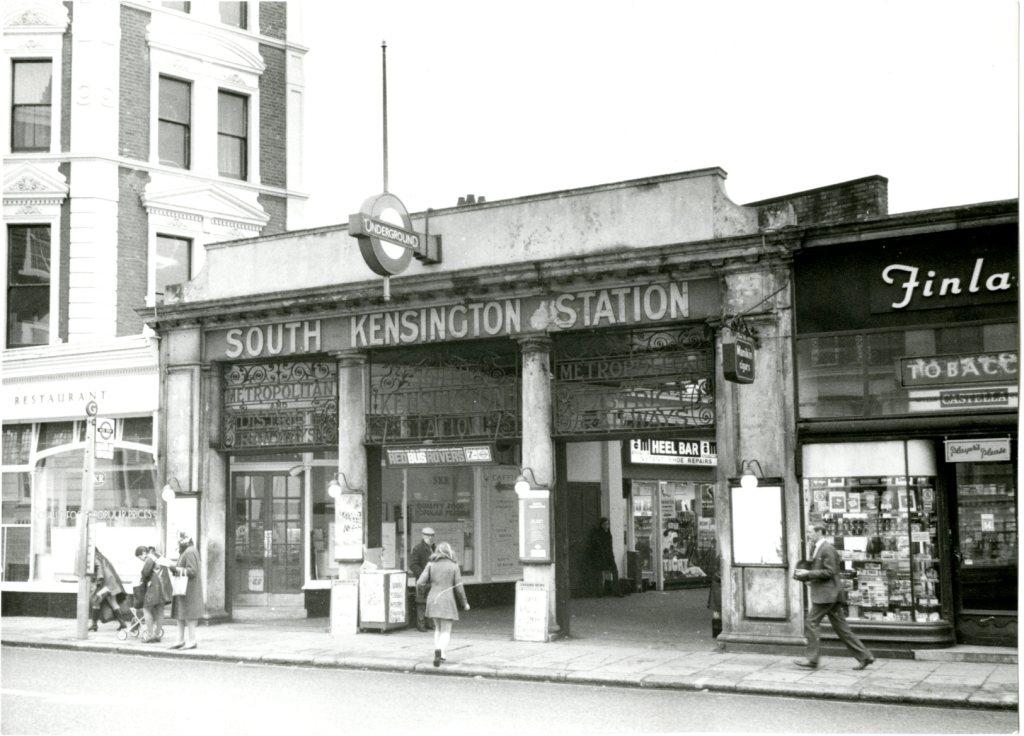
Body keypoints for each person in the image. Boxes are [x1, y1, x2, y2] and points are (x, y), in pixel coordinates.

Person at [793, 523, 874, 670]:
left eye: (810, 532)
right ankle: (865, 656)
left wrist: (808, 574)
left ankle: (812, 659)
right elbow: (823, 572)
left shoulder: (827, 548)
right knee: (842, 628)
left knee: (811, 622)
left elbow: (830, 571)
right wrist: (810, 579)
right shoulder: (818, 547)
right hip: (830, 594)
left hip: (827, 595)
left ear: (819, 532)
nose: (808, 535)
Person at [416, 542, 469, 667]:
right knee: (446, 630)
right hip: (447, 600)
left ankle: (441, 654)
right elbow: (459, 587)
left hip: (433, 599)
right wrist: (465, 603)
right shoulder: (454, 566)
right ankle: (440, 651)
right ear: (449, 552)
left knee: (438, 628)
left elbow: (419, 582)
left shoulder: (430, 565)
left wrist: (432, 585)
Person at [169, 532, 202, 650]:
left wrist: (176, 569)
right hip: (184, 588)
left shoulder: (189, 552)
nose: (178, 543)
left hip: (188, 588)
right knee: (181, 615)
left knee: (189, 615)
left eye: (180, 541)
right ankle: (180, 640)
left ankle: (191, 641)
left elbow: (192, 571)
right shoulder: (189, 551)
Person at [134, 545, 171, 643]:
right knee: (160, 610)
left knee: (146, 609)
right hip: (164, 586)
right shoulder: (158, 556)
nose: (141, 559)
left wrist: (144, 582)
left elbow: (145, 573)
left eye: (139, 557)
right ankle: (157, 635)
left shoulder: (150, 557)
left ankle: (150, 635)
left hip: (154, 586)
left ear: (143, 553)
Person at [88, 549, 128, 633]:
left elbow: (98, 567)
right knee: (113, 602)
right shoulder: (102, 557)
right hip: (111, 583)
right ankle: (122, 623)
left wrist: (99, 579)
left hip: (103, 584)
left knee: (95, 601)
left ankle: (94, 624)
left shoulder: (94, 557)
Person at [409, 527, 436, 632]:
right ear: (423, 536)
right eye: (428, 535)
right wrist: (422, 575)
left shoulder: (433, 547)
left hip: (432, 579)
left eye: (432, 535)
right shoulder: (418, 548)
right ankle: (421, 625)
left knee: (430, 602)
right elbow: (413, 564)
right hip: (422, 580)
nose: (431, 538)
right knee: (421, 602)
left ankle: (429, 623)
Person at [587, 517, 622, 597]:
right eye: (605, 524)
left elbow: (610, 546)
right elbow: (598, 546)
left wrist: (611, 555)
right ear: (601, 525)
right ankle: (599, 592)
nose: (607, 526)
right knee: (599, 573)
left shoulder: (608, 534)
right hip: (601, 556)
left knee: (615, 571)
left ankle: (616, 591)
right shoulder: (599, 534)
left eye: (607, 524)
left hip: (609, 556)